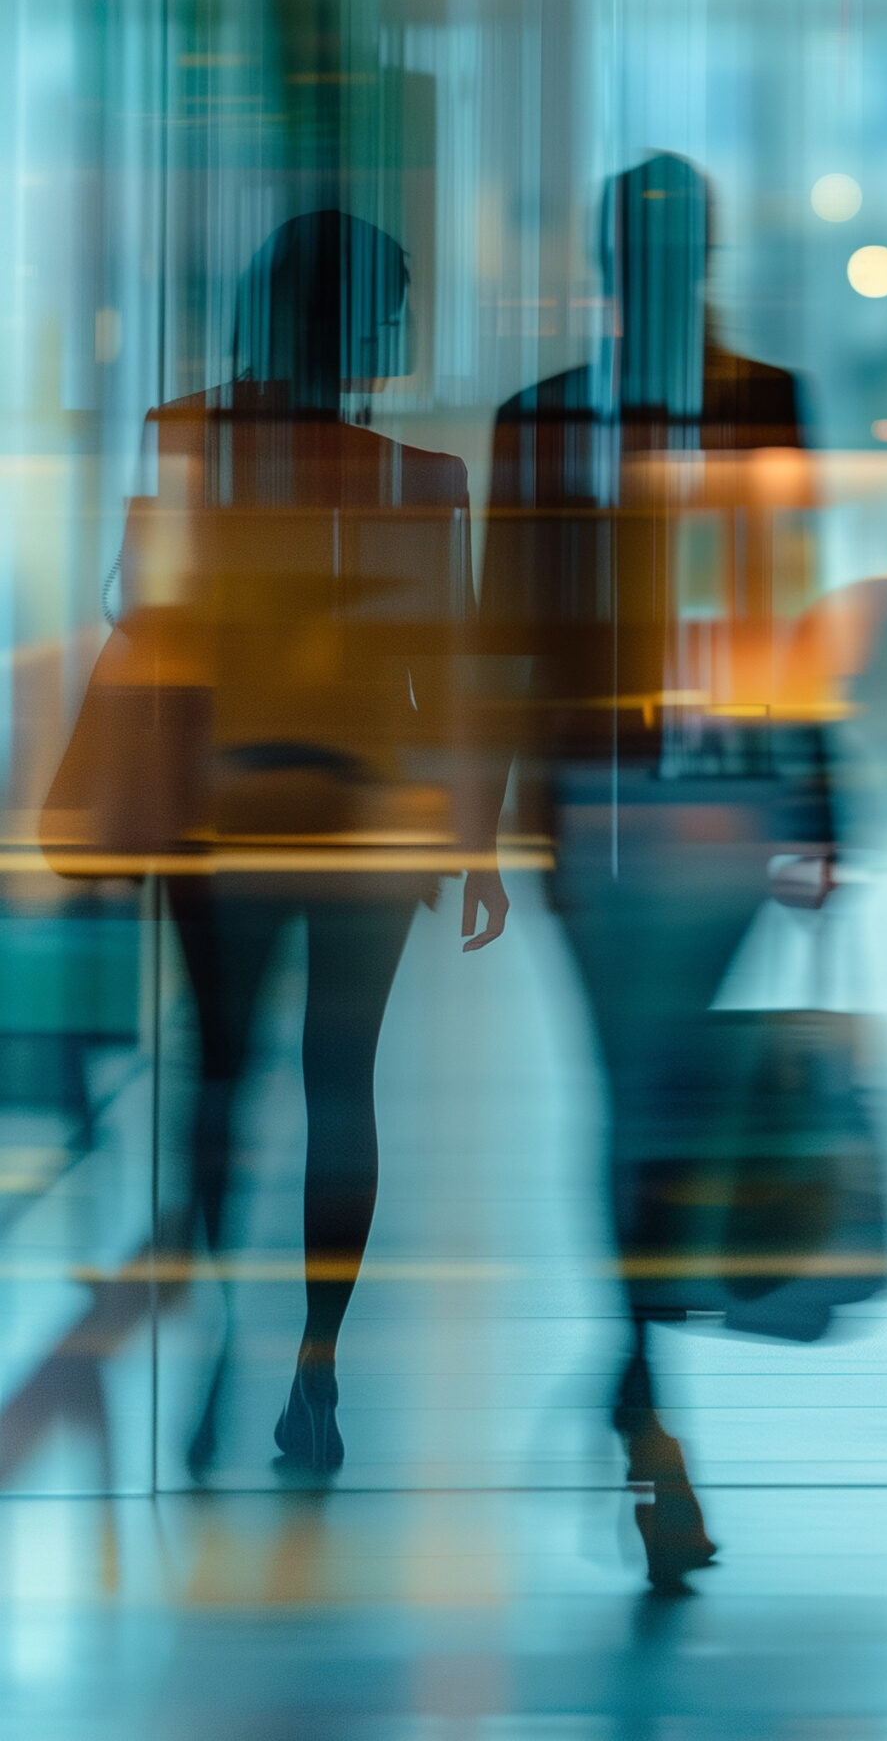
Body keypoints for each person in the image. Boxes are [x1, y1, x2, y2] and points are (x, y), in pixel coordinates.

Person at [71, 211, 507, 1479]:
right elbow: (457, 679)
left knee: (218, 1079)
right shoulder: (421, 480)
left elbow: (144, 613)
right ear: (347, 319)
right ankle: (314, 1365)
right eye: (385, 310)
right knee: (337, 1087)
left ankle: (212, 1335)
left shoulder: (184, 440)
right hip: (367, 814)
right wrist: (474, 840)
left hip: (223, 804)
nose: (392, 335)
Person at [479, 151, 828, 1591]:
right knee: (653, 1091)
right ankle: (640, 1386)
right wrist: (821, 802)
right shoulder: (756, 405)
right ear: (696, 261)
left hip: (613, 805)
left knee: (637, 1094)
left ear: (605, 262)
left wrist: (498, 822)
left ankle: (638, 1384)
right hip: (705, 801)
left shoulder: (543, 421)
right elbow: (788, 615)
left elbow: (511, 634)